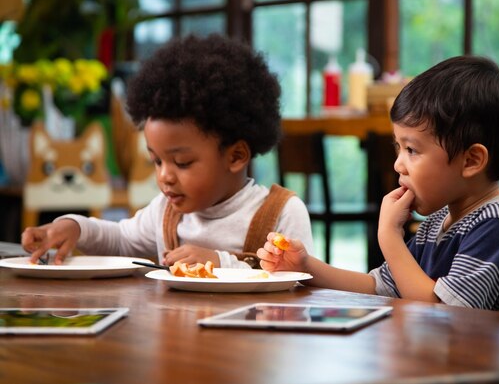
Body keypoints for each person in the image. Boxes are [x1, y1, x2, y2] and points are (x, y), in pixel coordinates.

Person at [259, 55, 499, 317]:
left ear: (471, 161)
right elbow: (381, 288)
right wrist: (305, 267)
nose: (398, 164)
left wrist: (389, 237)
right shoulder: (437, 222)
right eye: (398, 148)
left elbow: (449, 314)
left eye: (411, 150)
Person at [22, 34, 314, 268]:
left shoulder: (280, 213)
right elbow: (121, 238)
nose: (164, 177)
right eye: (156, 161)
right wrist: (75, 227)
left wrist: (221, 263)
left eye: (182, 162)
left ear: (236, 156)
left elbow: (301, 282)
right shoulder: (166, 213)